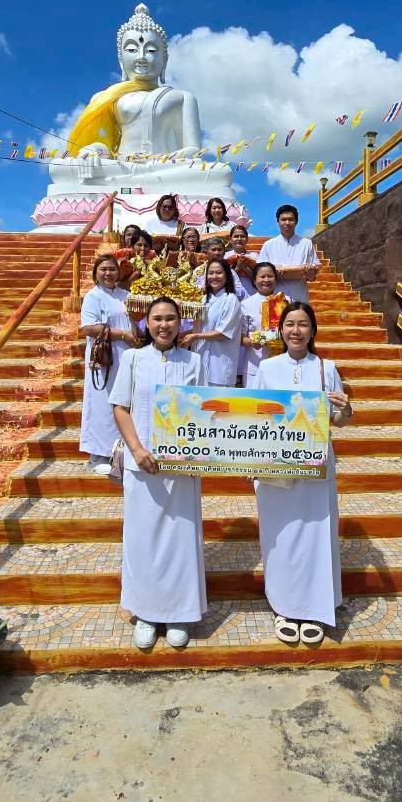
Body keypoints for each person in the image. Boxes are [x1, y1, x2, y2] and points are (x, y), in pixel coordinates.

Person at [110, 296, 207, 651]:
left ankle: (180, 612)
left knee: (182, 537)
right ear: (145, 323)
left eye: (171, 318)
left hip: (183, 465)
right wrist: (137, 449)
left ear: (181, 322)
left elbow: (202, 409)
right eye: (157, 319)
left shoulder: (194, 361)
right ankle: (146, 612)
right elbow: (120, 407)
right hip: (142, 464)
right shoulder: (133, 359)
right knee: (143, 539)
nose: (164, 325)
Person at [254, 301, 351, 646]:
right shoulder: (265, 368)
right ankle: (284, 606)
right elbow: (254, 416)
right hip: (275, 467)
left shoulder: (327, 367)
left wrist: (346, 410)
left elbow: (338, 418)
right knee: (279, 536)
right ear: (280, 330)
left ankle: (313, 607)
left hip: (315, 466)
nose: (295, 330)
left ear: (312, 330)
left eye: (303, 324)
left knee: (314, 535)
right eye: (289, 324)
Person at [79, 256, 138, 475]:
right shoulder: (93, 297)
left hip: (126, 355)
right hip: (104, 357)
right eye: (103, 269)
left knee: (123, 401)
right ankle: (98, 454)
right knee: (103, 402)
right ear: (95, 273)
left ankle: (120, 450)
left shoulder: (127, 295)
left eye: (112, 269)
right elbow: (89, 328)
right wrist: (123, 334)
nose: (108, 273)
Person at [180, 259, 242, 386]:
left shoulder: (231, 299)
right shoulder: (203, 299)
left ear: (227, 275)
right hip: (200, 362)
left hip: (220, 369)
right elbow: (197, 327)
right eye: (210, 273)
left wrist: (196, 336)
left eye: (218, 273)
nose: (214, 277)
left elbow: (223, 333)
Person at [259, 204, 320, 304]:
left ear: (296, 221)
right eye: (283, 219)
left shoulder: (306, 243)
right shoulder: (268, 245)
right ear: (278, 221)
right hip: (276, 298)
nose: (287, 223)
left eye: (290, 219)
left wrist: (310, 273)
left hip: (300, 298)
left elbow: (313, 275)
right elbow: (261, 272)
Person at [240, 262, 288, 387]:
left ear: (276, 279)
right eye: (262, 277)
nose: (266, 280)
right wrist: (252, 342)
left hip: (282, 362)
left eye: (270, 276)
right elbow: (240, 337)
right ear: (254, 281)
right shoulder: (246, 305)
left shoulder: (286, 301)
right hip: (255, 364)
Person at [225, 224, 256, 298]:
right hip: (231, 296)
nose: (239, 239)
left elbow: (258, 279)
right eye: (236, 236)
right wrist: (238, 268)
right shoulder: (225, 256)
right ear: (230, 239)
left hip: (251, 295)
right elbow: (224, 279)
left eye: (242, 236)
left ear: (247, 239)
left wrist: (245, 268)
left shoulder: (255, 256)